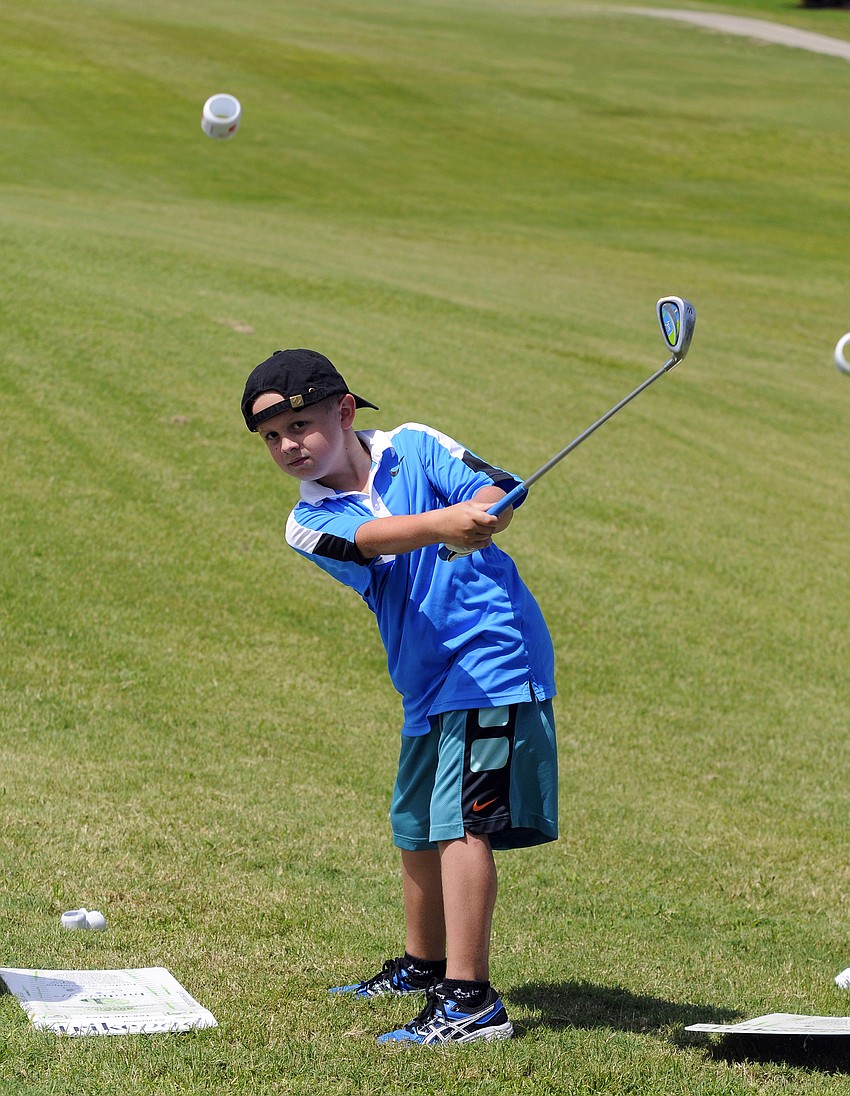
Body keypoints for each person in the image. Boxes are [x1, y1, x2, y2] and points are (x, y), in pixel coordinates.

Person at [241, 348, 558, 1046]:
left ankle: (471, 1000)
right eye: (272, 437)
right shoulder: (306, 522)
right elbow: (372, 538)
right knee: (415, 823)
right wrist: (443, 526)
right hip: (425, 677)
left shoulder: (416, 445)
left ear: (345, 411)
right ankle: (424, 965)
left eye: (301, 425)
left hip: (490, 656)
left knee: (460, 823)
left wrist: (483, 512)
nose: (288, 445)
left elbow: (497, 485)